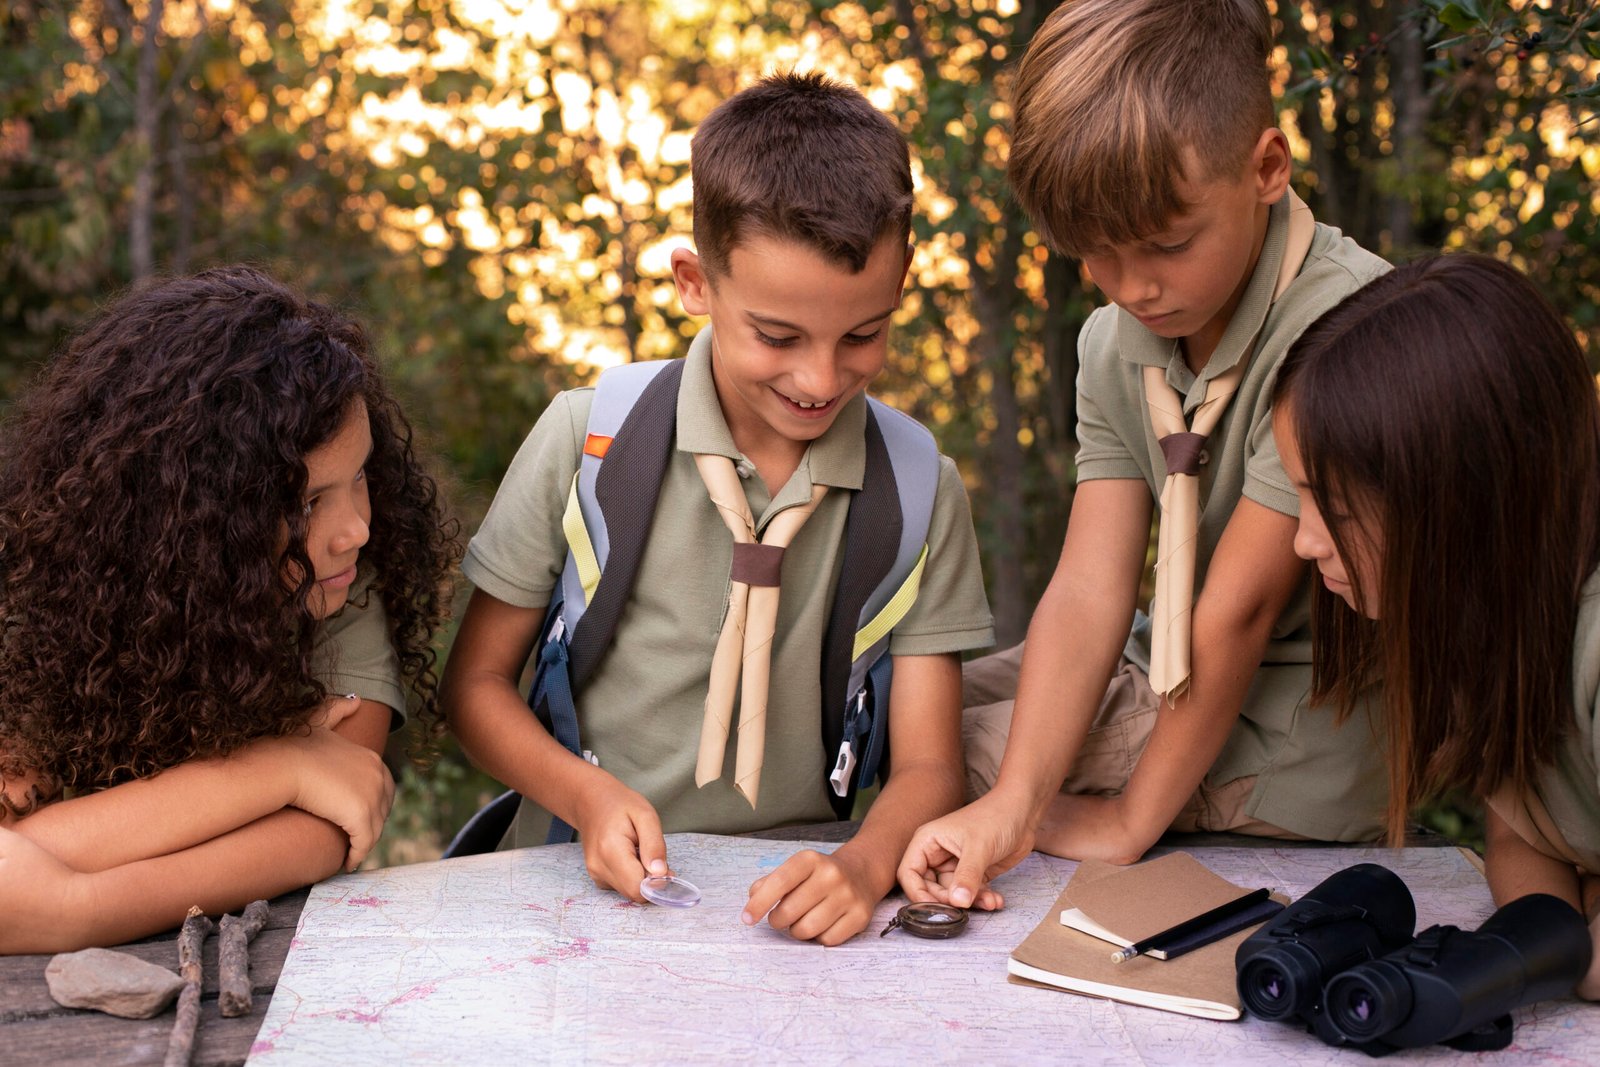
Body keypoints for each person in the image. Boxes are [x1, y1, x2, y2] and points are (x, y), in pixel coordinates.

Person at [444, 72, 993, 946]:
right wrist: (586, 797)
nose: (820, 379)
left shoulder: (921, 485)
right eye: (777, 336)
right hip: (578, 892)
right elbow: (472, 689)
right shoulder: (588, 438)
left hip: (806, 904)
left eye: (863, 334)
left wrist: (865, 862)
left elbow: (931, 763)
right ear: (696, 282)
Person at [898, 0, 1392, 911]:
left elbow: (1238, 613)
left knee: (923, 762)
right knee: (904, 695)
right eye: (1095, 254)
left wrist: (1123, 819)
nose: (1133, 287)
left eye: (1167, 245)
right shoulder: (1113, 342)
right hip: (1150, 665)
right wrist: (1018, 798)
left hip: (1282, 731)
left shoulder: (1344, 328)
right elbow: (1090, 589)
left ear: (1267, 169)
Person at [0, 266, 458, 954]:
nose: (356, 528)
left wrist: (81, 905)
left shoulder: (343, 592)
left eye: (359, 476)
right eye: (308, 503)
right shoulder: (42, 592)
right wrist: (281, 767)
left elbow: (332, 826)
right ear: (195, 523)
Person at [1270, 253, 1600, 998]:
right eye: (1302, 498)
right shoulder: (1490, 616)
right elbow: (1520, 836)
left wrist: (1567, 956)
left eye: (1339, 509)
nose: (1305, 540)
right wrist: (1548, 936)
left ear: (1462, 501)